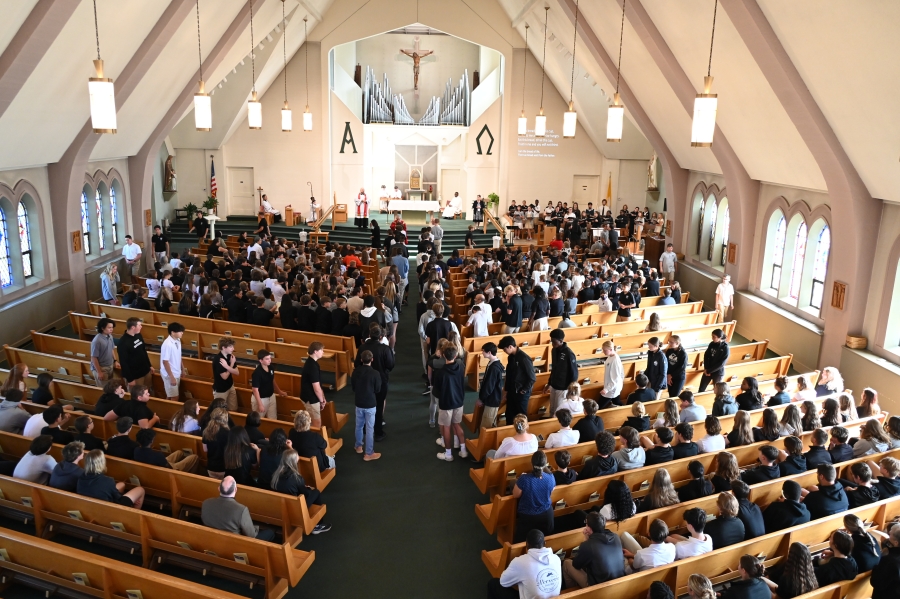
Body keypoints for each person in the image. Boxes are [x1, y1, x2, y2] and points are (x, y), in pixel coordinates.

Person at [487, 529, 561, 599]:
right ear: (544, 543)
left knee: (493, 584)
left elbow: (503, 582)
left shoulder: (519, 562)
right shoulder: (556, 558)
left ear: (527, 544)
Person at [201, 476, 275, 541]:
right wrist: (255, 528)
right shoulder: (241, 510)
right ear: (235, 490)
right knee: (271, 532)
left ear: (219, 489)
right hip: (234, 543)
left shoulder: (206, 503)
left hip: (212, 539)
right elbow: (251, 535)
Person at [562, 512, 624, 589]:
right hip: (619, 582)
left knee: (567, 564)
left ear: (589, 528)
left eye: (586, 524)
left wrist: (585, 541)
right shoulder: (615, 536)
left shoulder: (588, 545)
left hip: (598, 588)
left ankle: (575, 593)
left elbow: (576, 565)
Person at [356, 325, 394, 441]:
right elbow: (391, 365)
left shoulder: (362, 348)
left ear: (369, 335)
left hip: (364, 381)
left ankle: (363, 429)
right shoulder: (385, 349)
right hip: (381, 380)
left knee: (365, 404)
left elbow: (356, 364)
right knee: (379, 404)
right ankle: (378, 431)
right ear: (381, 337)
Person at [78, 449, 145, 508]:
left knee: (122, 484)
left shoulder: (81, 477)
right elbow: (118, 499)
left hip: (91, 505)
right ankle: (134, 513)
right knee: (140, 489)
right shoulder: (108, 481)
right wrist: (133, 501)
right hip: (110, 508)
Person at [434, 346, 468, 461]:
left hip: (446, 403)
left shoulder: (440, 373)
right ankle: (463, 450)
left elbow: (436, 391)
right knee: (457, 424)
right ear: (455, 356)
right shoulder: (460, 368)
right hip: (458, 401)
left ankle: (448, 454)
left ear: (444, 356)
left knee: (446, 427)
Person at [513, 451, 556, 543]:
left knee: (522, 542)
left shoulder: (524, 479)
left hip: (528, 516)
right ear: (545, 464)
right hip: (546, 515)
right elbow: (551, 491)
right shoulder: (551, 477)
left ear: (531, 463)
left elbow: (515, 494)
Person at [351, 350, 381, 461]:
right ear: (372, 359)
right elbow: (378, 389)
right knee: (369, 428)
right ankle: (368, 453)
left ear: (361, 360)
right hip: (370, 404)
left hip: (359, 402)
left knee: (358, 425)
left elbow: (353, 387)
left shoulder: (355, 372)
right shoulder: (375, 373)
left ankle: (358, 446)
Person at [499, 336, 536, 424]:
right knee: (509, 415)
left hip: (521, 393)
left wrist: (524, 390)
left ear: (510, 347)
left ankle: (522, 435)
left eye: (505, 349)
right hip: (512, 391)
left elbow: (532, 378)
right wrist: (506, 391)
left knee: (521, 416)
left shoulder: (524, 358)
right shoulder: (511, 357)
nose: (504, 352)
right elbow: (509, 375)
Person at [134, 427, 199, 473]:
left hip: (157, 467)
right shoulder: (157, 455)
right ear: (151, 442)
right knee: (195, 457)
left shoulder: (136, 450)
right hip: (169, 471)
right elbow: (169, 468)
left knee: (179, 452)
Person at [544, 329, 578, 415]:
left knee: (558, 410)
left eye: (554, 342)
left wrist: (571, 390)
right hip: (553, 385)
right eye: (551, 341)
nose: (552, 344)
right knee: (551, 409)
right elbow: (554, 368)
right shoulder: (554, 351)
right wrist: (549, 383)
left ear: (561, 341)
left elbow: (574, 373)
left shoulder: (569, 354)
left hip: (563, 388)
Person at [116, 318, 154, 389]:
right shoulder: (123, 343)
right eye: (139, 325)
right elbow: (124, 362)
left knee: (147, 390)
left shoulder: (138, 335)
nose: (141, 327)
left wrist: (149, 365)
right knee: (137, 395)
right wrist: (130, 379)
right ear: (133, 327)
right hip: (135, 375)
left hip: (145, 370)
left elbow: (143, 351)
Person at [252, 350, 287, 421]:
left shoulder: (270, 367)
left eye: (270, 358)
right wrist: (260, 404)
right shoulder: (257, 373)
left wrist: (279, 391)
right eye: (267, 359)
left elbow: (272, 380)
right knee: (259, 420)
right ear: (261, 361)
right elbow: (255, 390)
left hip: (271, 396)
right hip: (261, 399)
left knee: (273, 418)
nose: (269, 360)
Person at [477, 342, 505, 431]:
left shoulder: (494, 368)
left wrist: (481, 399)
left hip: (492, 399)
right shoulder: (493, 363)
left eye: (483, 351)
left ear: (489, 353)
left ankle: (484, 444)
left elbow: (489, 386)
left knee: (486, 426)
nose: (482, 353)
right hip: (493, 398)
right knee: (491, 423)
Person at [871, 524, 900, 599]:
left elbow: (877, 583)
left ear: (896, 542)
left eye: (890, 534)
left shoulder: (889, 560)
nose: (888, 536)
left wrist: (877, 566)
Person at [159, 322, 185, 400]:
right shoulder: (167, 344)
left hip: (176, 372)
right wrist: (171, 377)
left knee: (170, 395)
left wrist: (183, 369)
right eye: (180, 331)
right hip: (170, 374)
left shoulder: (178, 340)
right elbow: (165, 362)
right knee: (174, 397)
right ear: (173, 332)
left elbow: (179, 355)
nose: (182, 333)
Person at [212, 337, 239, 411]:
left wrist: (228, 366)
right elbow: (224, 376)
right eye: (230, 347)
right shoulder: (218, 359)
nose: (233, 349)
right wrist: (231, 365)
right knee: (220, 411)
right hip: (221, 390)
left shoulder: (231, 356)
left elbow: (237, 372)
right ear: (223, 347)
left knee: (233, 409)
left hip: (230, 386)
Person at [90, 318, 118, 385]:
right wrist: (99, 372)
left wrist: (115, 361)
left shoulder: (110, 336)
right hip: (102, 368)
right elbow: (94, 357)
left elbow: (112, 349)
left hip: (110, 365)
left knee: (111, 386)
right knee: (104, 389)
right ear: (102, 328)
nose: (111, 329)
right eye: (109, 327)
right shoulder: (97, 341)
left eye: (112, 327)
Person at [599, 340, 624, 407]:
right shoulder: (611, 356)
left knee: (600, 406)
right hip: (612, 386)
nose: (603, 352)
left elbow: (615, 378)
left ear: (611, 349)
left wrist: (606, 389)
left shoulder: (615, 360)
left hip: (612, 388)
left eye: (605, 350)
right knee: (617, 402)